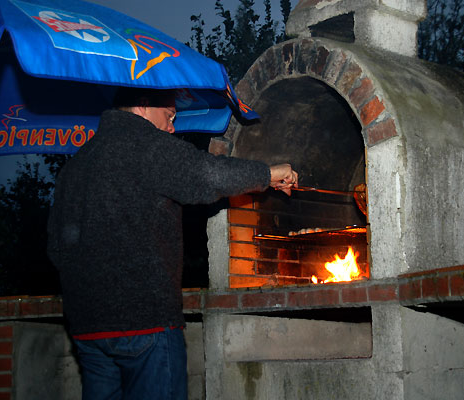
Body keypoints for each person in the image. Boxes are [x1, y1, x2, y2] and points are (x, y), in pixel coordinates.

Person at [47, 87, 298, 400]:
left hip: (88, 330)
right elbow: (208, 176)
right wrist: (268, 173)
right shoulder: (146, 145)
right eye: (169, 117)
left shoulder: (74, 167)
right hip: (145, 323)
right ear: (142, 106)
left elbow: (57, 250)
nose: (172, 128)